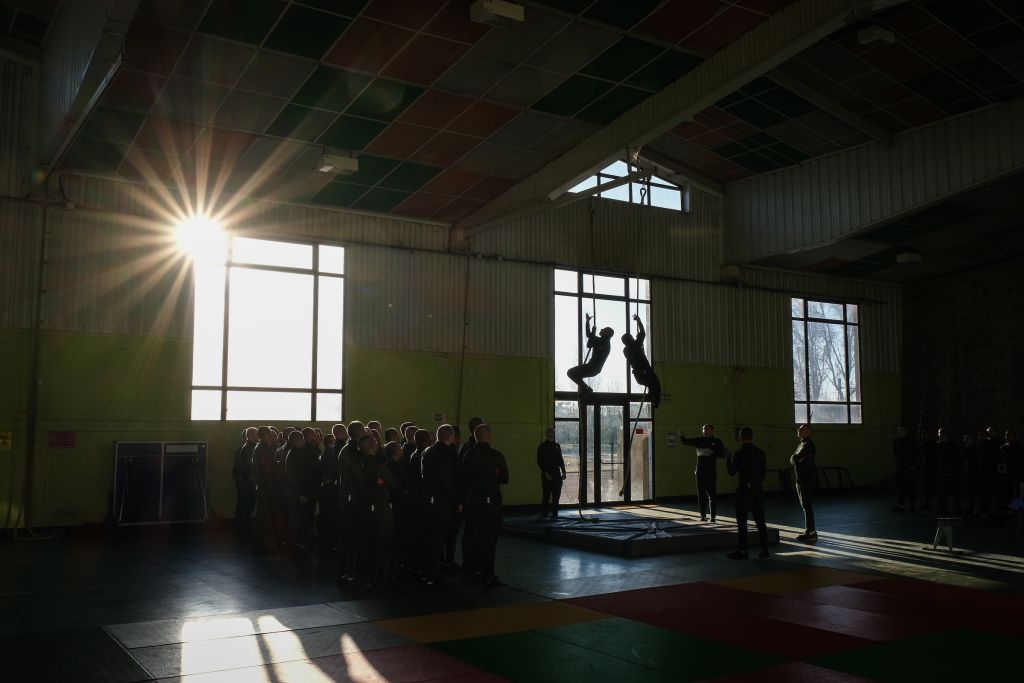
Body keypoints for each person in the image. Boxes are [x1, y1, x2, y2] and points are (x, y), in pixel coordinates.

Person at [460, 424, 509, 586]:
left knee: (471, 537)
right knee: (489, 538)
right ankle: (487, 573)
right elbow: (505, 478)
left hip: (472, 500)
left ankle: (469, 573)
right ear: (489, 436)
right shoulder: (496, 455)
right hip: (491, 501)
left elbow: (462, 479)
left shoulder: (467, 455)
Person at [420, 424, 459, 587]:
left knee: (430, 539)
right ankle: (431, 574)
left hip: (428, 500)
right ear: (451, 437)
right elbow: (445, 482)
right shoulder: (446, 454)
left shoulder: (427, 452)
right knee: (438, 539)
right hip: (442, 502)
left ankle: (426, 571)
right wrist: (456, 500)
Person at [726, 426, 770, 559]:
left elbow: (732, 472)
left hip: (744, 490)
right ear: (752, 436)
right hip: (757, 489)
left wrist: (728, 459)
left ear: (740, 438)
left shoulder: (739, 454)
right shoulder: (761, 453)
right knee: (760, 522)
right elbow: (763, 473)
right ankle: (764, 549)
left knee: (742, 522)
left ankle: (743, 550)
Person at [337, 421, 365, 581]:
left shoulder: (346, 449)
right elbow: (359, 473)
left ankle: (347, 568)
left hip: (346, 496)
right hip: (353, 497)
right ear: (361, 432)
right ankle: (351, 569)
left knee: (348, 534)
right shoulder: (353, 451)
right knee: (353, 534)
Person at [680, 424, 727, 522]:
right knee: (701, 495)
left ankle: (713, 517)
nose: (705, 431)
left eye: (707, 429)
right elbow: (687, 442)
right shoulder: (699, 440)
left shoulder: (717, 441)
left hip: (711, 472)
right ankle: (703, 516)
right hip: (700, 472)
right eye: (703, 429)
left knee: (712, 495)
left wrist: (712, 452)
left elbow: (723, 454)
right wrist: (681, 436)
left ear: (712, 430)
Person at [621, 314, 661, 409]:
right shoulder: (636, 345)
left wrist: (637, 340)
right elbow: (642, 333)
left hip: (638, 374)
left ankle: (652, 396)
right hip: (645, 371)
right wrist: (638, 321)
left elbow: (640, 337)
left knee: (652, 385)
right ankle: (655, 401)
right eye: (631, 337)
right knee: (656, 384)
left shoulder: (626, 350)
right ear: (630, 339)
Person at [566, 313, 613, 393]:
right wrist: (588, 322)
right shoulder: (603, 341)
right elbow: (589, 336)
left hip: (592, 368)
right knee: (574, 374)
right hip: (592, 368)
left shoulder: (604, 343)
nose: (601, 330)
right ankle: (585, 389)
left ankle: (587, 389)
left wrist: (593, 332)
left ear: (607, 334)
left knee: (571, 373)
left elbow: (589, 344)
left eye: (603, 330)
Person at [791, 423, 817, 541]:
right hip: (801, 480)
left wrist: (795, 458)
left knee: (807, 506)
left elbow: (794, 459)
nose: (798, 430)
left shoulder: (808, 446)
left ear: (807, 432)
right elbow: (794, 459)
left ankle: (811, 532)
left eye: (801, 429)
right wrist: (795, 458)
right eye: (799, 429)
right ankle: (810, 531)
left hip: (806, 480)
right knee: (805, 506)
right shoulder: (801, 445)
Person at [232, 427, 259, 540]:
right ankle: (244, 532)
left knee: (244, 507)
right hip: (247, 483)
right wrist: (250, 476)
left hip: (244, 482)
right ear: (250, 436)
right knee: (246, 507)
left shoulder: (246, 448)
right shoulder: (248, 449)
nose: (257, 437)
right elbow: (246, 466)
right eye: (255, 435)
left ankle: (242, 531)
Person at [537, 427, 566, 518]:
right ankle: (544, 515)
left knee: (556, 496)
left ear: (553, 434)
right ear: (546, 435)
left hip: (556, 473)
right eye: (549, 434)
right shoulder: (542, 446)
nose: (551, 435)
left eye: (552, 433)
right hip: (547, 474)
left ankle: (555, 515)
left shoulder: (557, 446)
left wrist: (564, 471)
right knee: (546, 496)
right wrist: (545, 473)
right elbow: (540, 461)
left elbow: (560, 459)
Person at [935, 427, 961, 515]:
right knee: (941, 491)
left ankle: (957, 508)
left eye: (942, 435)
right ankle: (942, 507)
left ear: (947, 436)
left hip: (951, 472)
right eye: (939, 435)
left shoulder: (953, 446)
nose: (940, 437)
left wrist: (950, 471)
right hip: (941, 471)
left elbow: (956, 460)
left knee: (954, 491)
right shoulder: (939, 445)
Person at [891, 426, 917, 512]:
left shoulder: (910, 441)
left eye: (901, 430)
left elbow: (915, 454)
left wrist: (912, 465)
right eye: (898, 430)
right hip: (901, 467)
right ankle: (901, 505)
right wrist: (897, 465)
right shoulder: (896, 442)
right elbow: (897, 455)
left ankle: (913, 506)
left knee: (910, 487)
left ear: (906, 431)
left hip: (909, 467)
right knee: (901, 487)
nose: (899, 432)